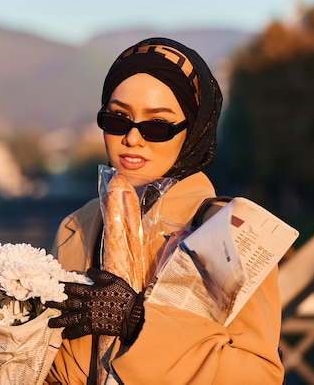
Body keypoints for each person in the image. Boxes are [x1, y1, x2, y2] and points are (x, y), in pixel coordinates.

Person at [45, 37, 284, 384]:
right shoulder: (77, 227)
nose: (132, 138)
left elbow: (258, 375)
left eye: (157, 125)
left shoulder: (232, 231)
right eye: (117, 119)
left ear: (194, 131)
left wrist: (139, 324)